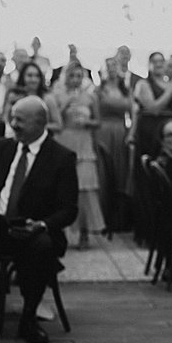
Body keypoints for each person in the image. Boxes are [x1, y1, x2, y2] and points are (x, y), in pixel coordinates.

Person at [0, 95, 78, 343]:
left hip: (36, 229)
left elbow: (69, 210)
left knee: (41, 247)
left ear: (39, 123)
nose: (13, 125)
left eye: (19, 120)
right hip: (0, 224)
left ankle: (29, 318)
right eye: (12, 119)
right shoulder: (2, 147)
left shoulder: (61, 158)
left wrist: (41, 225)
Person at [46, 64, 104, 248]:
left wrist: (88, 122)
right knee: (62, 188)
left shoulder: (90, 97)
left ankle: (84, 233)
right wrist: (64, 106)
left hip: (84, 143)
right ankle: (60, 231)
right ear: (66, 77)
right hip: (64, 140)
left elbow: (98, 121)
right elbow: (55, 122)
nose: (76, 79)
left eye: (80, 76)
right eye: (73, 76)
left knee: (85, 189)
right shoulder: (57, 96)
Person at [93, 58, 132, 233]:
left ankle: (119, 218)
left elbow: (133, 113)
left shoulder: (126, 89)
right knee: (103, 172)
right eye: (108, 67)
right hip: (103, 131)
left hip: (121, 132)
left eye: (114, 66)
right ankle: (102, 217)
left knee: (120, 172)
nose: (112, 70)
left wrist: (131, 133)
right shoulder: (99, 90)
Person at [133, 51, 172, 158]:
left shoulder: (171, 83)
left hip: (171, 130)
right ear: (149, 64)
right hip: (151, 130)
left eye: (161, 61)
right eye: (154, 61)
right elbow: (154, 108)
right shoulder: (143, 84)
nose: (158, 64)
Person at [2, 60, 47, 135]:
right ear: (23, 76)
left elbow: (57, 124)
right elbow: (5, 118)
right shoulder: (14, 95)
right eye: (30, 75)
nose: (34, 79)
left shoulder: (47, 98)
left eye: (37, 76)